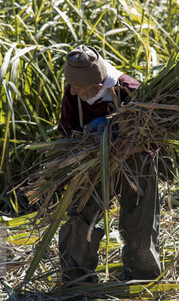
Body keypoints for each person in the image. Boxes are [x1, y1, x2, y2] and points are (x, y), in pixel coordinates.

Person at [57, 45, 161, 284]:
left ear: (97, 85)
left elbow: (158, 136)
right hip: (92, 162)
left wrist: (130, 145)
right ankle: (77, 283)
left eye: (79, 87)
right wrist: (88, 131)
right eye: (71, 85)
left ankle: (141, 280)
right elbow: (66, 132)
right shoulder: (72, 93)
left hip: (136, 163)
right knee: (80, 217)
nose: (73, 91)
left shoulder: (129, 90)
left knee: (140, 224)